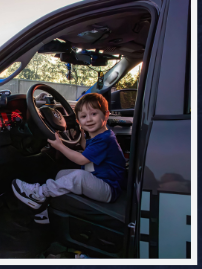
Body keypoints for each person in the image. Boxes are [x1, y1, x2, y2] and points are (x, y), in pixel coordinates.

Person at [12, 92, 125, 224]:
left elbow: (82, 159)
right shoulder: (99, 136)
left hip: (108, 189)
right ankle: (42, 209)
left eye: (94, 114)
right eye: (83, 116)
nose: (88, 119)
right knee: (61, 174)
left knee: (78, 177)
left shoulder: (105, 139)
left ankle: (39, 194)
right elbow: (85, 148)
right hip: (98, 179)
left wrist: (60, 146)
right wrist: (81, 134)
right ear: (78, 121)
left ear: (105, 115)